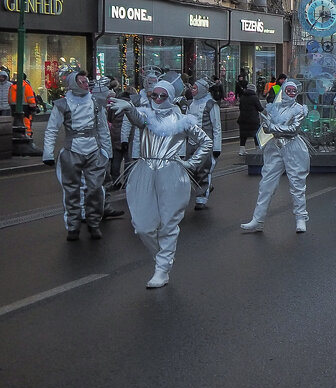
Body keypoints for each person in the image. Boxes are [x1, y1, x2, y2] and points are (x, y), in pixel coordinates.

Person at [107, 73, 212, 288]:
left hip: (171, 173)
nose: (156, 99)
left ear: (170, 97)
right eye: (153, 94)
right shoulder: (147, 116)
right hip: (144, 170)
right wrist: (128, 108)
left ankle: (162, 269)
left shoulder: (182, 121)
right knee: (142, 226)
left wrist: (191, 163)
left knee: (168, 223)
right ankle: (163, 260)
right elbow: (138, 118)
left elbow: (206, 142)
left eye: (162, 95)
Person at [42, 70, 113, 241]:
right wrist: (48, 154)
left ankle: (94, 222)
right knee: (71, 190)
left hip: (93, 150)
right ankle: (73, 226)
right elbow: (52, 129)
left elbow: (103, 129)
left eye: (86, 81)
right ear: (73, 84)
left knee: (95, 189)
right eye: (81, 82)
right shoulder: (62, 104)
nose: (86, 84)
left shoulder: (96, 103)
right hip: (71, 151)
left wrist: (108, 152)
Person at [240, 79, 310, 234]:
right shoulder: (273, 108)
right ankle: (258, 219)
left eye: (294, 91)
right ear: (283, 91)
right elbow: (265, 127)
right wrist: (266, 125)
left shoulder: (299, 109)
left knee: (297, 183)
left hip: (293, 147)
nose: (291, 93)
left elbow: (293, 129)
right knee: (266, 184)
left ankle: (300, 218)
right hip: (274, 147)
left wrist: (271, 127)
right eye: (289, 90)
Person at [186, 77, 222, 210]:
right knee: (189, 169)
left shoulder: (211, 104)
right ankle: (206, 187)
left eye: (195, 88)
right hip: (191, 142)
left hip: (205, 143)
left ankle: (201, 199)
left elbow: (216, 126)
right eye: (192, 88)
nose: (192, 90)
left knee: (204, 170)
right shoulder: (190, 104)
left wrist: (217, 147)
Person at [237, 84, 264, 156]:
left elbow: (240, 107)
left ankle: (241, 150)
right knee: (256, 134)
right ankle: (258, 149)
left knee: (243, 135)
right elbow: (260, 108)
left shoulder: (242, 97)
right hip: (253, 119)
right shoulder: (254, 97)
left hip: (242, 119)